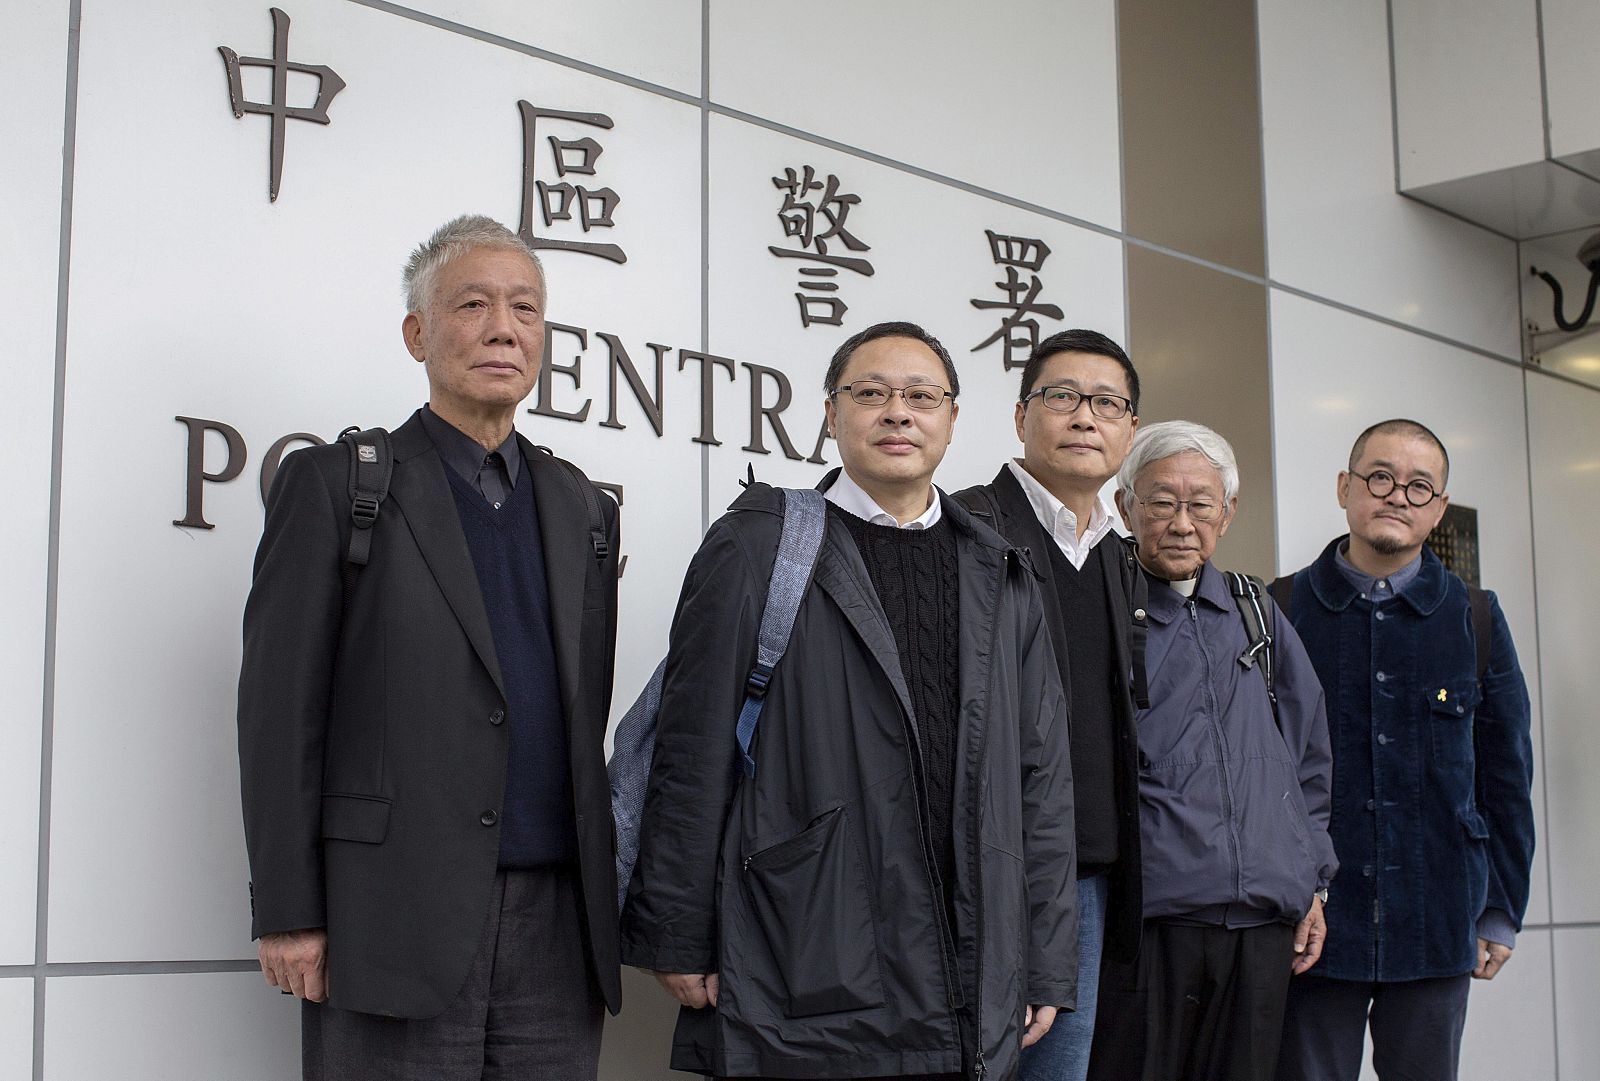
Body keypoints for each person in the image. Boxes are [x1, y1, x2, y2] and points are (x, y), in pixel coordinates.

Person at [620, 321, 1076, 1081]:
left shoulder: (1002, 573)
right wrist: (677, 930)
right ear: (831, 415)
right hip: (805, 948)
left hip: (972, 965)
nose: (897, 412)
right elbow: (690, 747)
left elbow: (1043, 783)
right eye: (871, 393)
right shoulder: (758, 544)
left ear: (952, 418)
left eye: (921, 395)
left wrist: (1048, 958)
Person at [236, 214, 622, 1080]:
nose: (503, 327)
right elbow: (279, 714)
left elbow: (581, 709)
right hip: (392, 910)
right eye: (473, 304)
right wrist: (289, 908)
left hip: (559, 924)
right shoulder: (341, 484)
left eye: (526, 308)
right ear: (418, 333)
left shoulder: (581, 506)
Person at [1275, 419, 1535, 1081]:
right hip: (1311, 930)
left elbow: (1506, 773)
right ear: (1346, 487)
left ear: (1440, 507)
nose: (1397, 496)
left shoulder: (1475, 617)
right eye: (1380, 477)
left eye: (1420, 487)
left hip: (1438, 916)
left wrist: (1501, 908)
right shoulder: (1281, 608)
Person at [1085, 420, 1336, 1081]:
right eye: (1161, 501)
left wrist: (1312, 882)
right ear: (1124, 508)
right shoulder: (1102, 610)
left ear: (1226, 513)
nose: (1180, 521)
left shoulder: (1256, 610)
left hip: (1260, 922)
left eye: (1200, 503)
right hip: (1150, 920)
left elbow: (1308, 758)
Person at [953, 330, 1144, 1081]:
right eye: (1062, 397)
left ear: (1129, 429)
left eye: (1107, 403)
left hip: (1088, 882)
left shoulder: (1119, 557)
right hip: (978, 873)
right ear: (1021, 416)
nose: (1084, 417)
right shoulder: (963, 527)